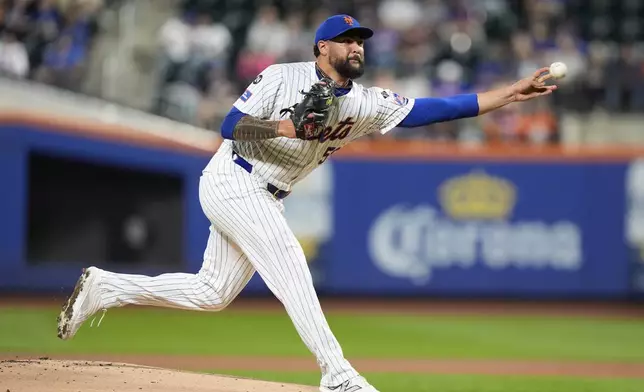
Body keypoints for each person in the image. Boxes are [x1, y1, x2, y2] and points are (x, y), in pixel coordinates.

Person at [56, 14, 557, 392]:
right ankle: (336, 372)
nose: (357, 47)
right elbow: (229, 126)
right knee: (292, 259)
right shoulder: (282, 76)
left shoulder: (364, 103)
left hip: (266, 194)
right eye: (348, 40)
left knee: (212, 292)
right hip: (235, 177)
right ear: (323, 47)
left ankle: (106, 287)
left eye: (361, 41)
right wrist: (285, 126)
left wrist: (509, 93)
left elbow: (432, 110)